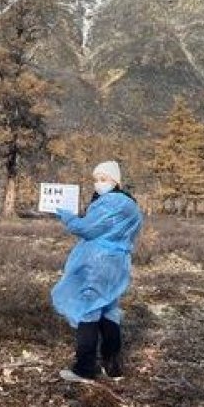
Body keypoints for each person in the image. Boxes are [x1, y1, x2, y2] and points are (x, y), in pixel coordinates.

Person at [51, 160, 143, 383]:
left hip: (98, 263)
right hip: (117, 263)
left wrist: (67, 216)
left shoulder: (110, 202)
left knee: (88, 310)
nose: (98, 184)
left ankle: (84, 369)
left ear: (115, 181)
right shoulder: (131, 205)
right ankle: (113, 368)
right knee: (108, 309)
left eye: (103, 179)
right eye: (96, 179)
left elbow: (86, 228)